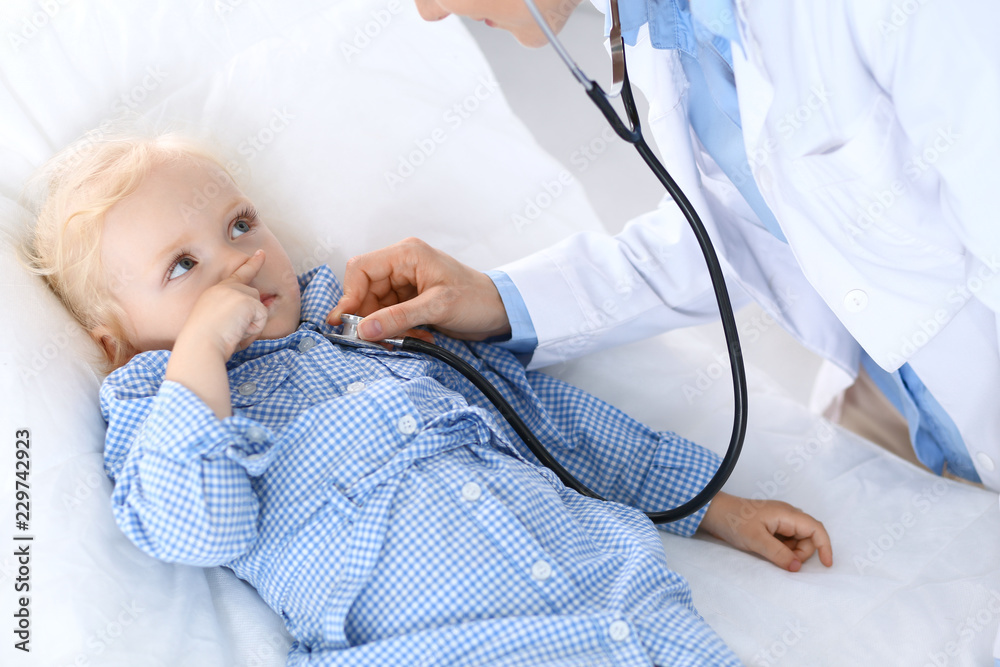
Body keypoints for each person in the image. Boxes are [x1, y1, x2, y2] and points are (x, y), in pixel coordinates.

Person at [20, 132, 832, 665]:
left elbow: (554, 427)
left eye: (239, 226)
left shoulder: (366, 325)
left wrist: (715, 506)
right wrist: (199, 352)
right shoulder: (159, 409)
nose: (237, 265)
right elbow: (198, 525)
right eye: (181, 266)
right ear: (116, 341)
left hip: (617, 599)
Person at [331, 0, 1000, 494]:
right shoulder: (666, 23)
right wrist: (500, 300)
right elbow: (735, 224)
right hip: (905, 395)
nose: (427, 11)